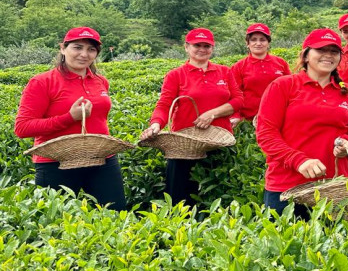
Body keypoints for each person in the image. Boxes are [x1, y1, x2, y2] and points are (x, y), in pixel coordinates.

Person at [256, 28, 348, 217]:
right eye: (321, 50)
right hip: (286, 185)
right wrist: (299, 160)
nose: (328, 56)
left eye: (334, 51)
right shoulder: (283, 86)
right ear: (306, 55)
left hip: (333, 186)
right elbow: (266, 134)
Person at [15, 27, 126, 210]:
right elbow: (23, 128)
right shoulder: (42, 82)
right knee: (55, 225)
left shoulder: (100, 81)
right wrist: (69, 118)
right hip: (55, 162)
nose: (84, 54)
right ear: (62, 48)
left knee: (115, 214)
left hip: (103, 159)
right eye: (77, 47)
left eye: (91, 49)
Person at [140, 28, 242, 206]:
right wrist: (156, 125)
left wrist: (212, 113)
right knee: (180, 198)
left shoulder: (224, 72)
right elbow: (164, 105)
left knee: (217, 197)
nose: (202, 49)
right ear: (186, 47)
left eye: (206, 46)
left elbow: (238, 100)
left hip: (218, 140)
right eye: (197, 45)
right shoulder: (176, 75)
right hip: (185, 144)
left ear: (212, 48)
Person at [230, 23, 290, 125]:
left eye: (262, 39)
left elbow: (290, 89)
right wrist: (236, 116)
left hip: (279, 117)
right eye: (254, 39)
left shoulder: (281, 63)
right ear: (247, 43)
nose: (258, 43)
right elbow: (234, 95)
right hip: (249, 120)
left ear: (268, 43)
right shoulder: (238, 67)